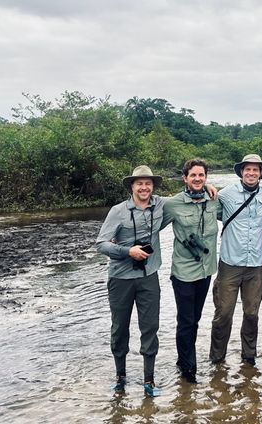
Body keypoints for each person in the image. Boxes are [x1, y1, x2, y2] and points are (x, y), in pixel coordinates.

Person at [96, 165, 172, 397]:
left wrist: (208, 186)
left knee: (150, 328)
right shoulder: (118, 211)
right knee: (120, 328)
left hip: (149, 277)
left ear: (153, 186)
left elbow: (186, 197)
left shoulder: (160, 205)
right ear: (132, 186)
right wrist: (128, 251)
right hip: (120, 279)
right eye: (139, 183)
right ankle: (120, 377)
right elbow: (101, 243)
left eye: (148, 183)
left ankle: (149, 380)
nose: (144, 187)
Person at [209, 154, 262, 365]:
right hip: (229, 264)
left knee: (251, 314)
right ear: (241, 172)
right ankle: (216, 358)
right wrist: (207, 187)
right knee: (223, 314)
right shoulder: (227, 194)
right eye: (248, 170)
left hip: (256, 265)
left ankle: (248, 357)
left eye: (255, 170)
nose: (251, 173)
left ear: (260, 174)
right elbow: (207, 203)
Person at [163, 158, 220, 383]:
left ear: (206, 178)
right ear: (184, 178)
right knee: (186, 321)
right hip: (183, 273)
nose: (197, 179)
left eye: (201, 176)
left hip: (206, 271)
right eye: (193, 175)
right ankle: (189, 371)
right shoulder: (172, 204)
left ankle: (182, 359)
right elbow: (150, 218)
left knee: (195, 319)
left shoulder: (214, 200)